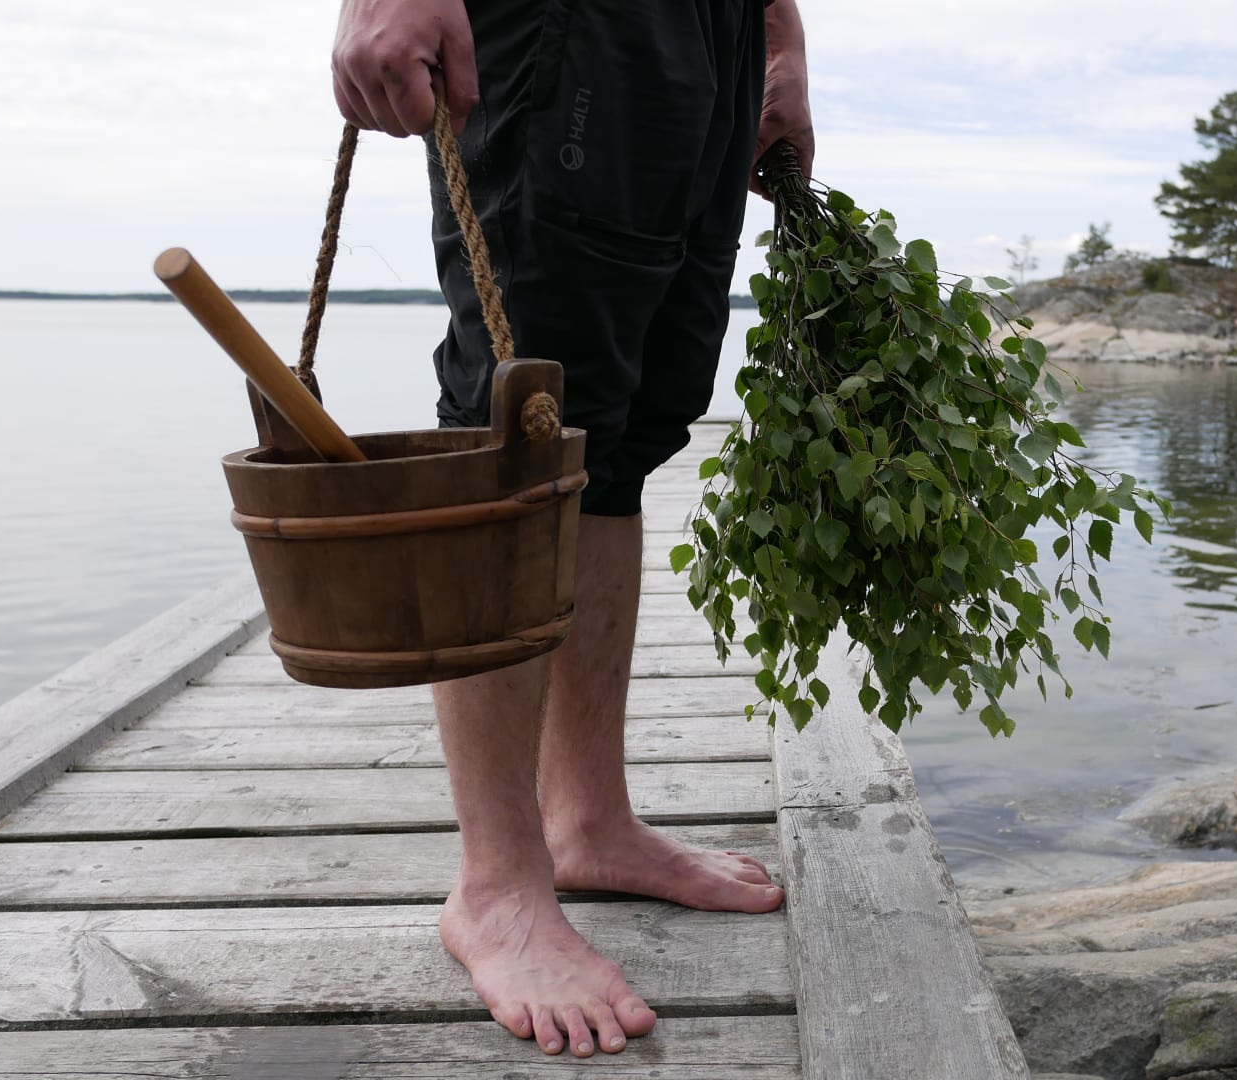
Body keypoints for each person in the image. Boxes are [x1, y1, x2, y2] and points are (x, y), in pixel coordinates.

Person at [330, 0, 812, 1061]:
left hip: (710, 37)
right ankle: (498, 884)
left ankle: (589, 822)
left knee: (623, 431)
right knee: (525, 425)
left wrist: (781, 42)